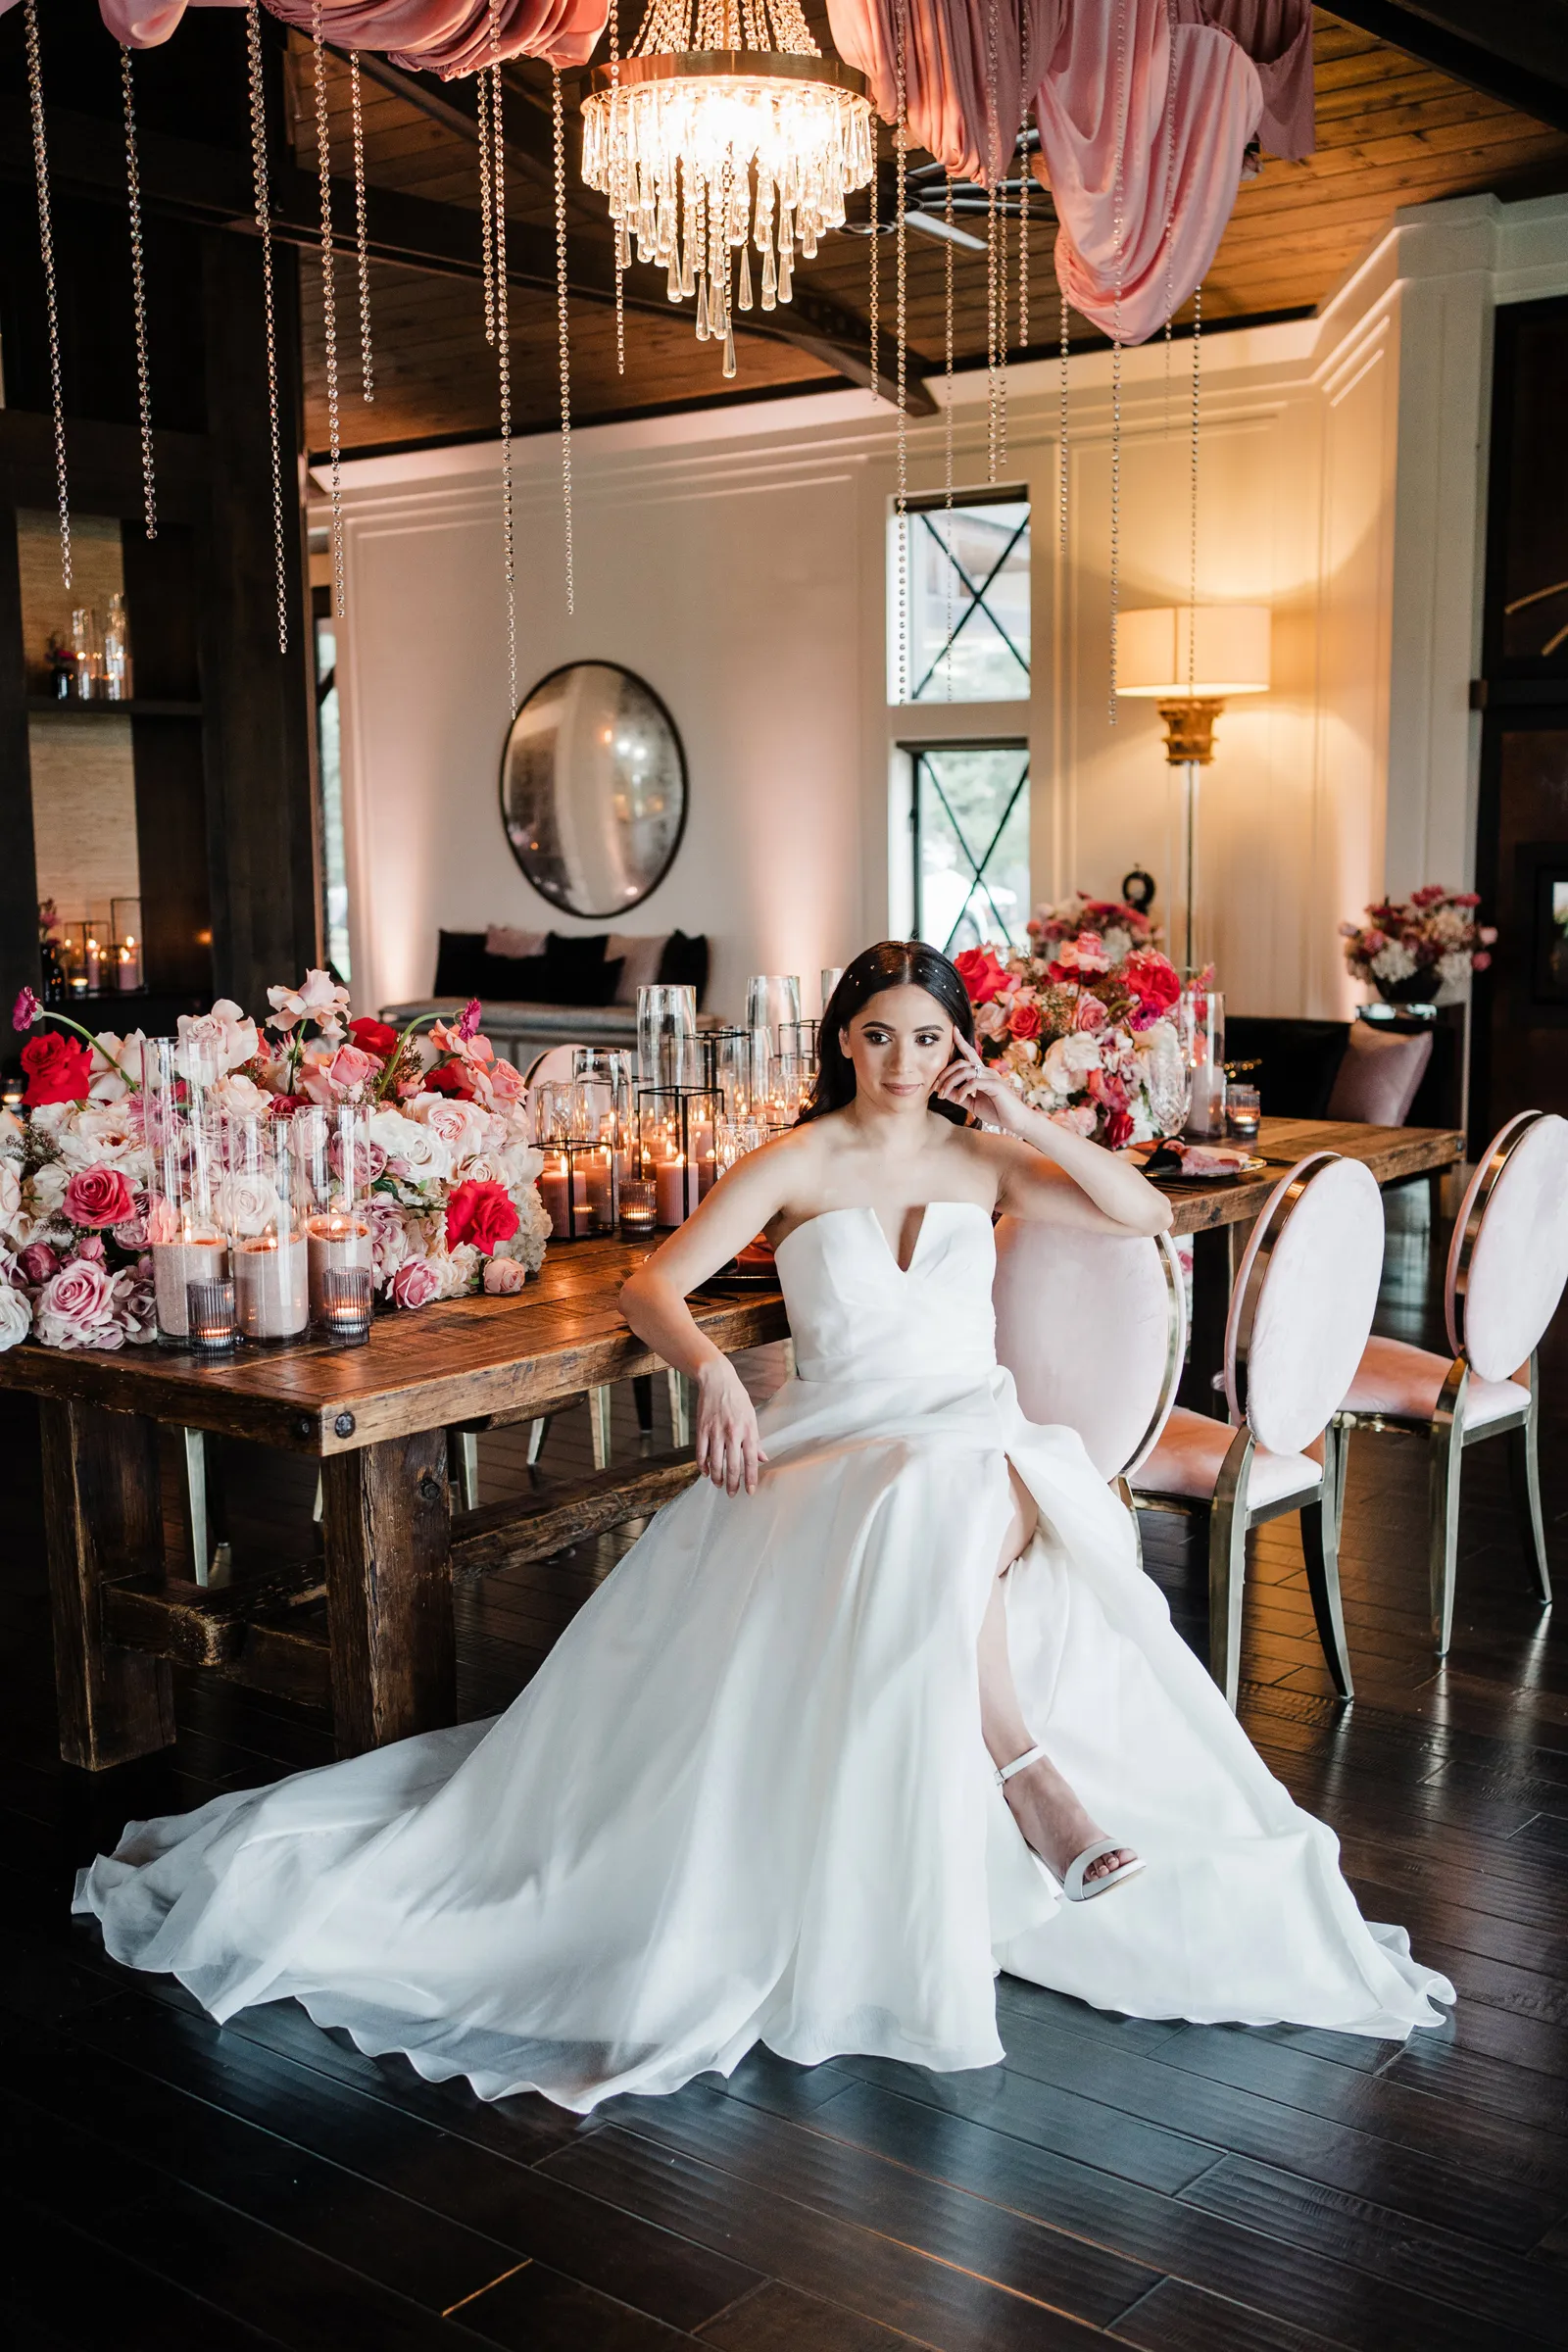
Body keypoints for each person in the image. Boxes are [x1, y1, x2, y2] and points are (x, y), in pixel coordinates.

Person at [74, 942, 1452, 2115]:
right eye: (879, 1034)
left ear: (954, 1046)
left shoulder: (986, 1162)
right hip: (835, 1445)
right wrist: (720, 1371)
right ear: (844, 1041)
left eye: (930, 1036)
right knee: (923, 1488)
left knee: (952, 1476)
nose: (904, 1057)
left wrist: (1023, 1116)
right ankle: (1024, 1770)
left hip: (978, 1434)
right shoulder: (792, 1160)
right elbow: (654, 1286)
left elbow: (1144, 1209)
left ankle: (1026, 1774)